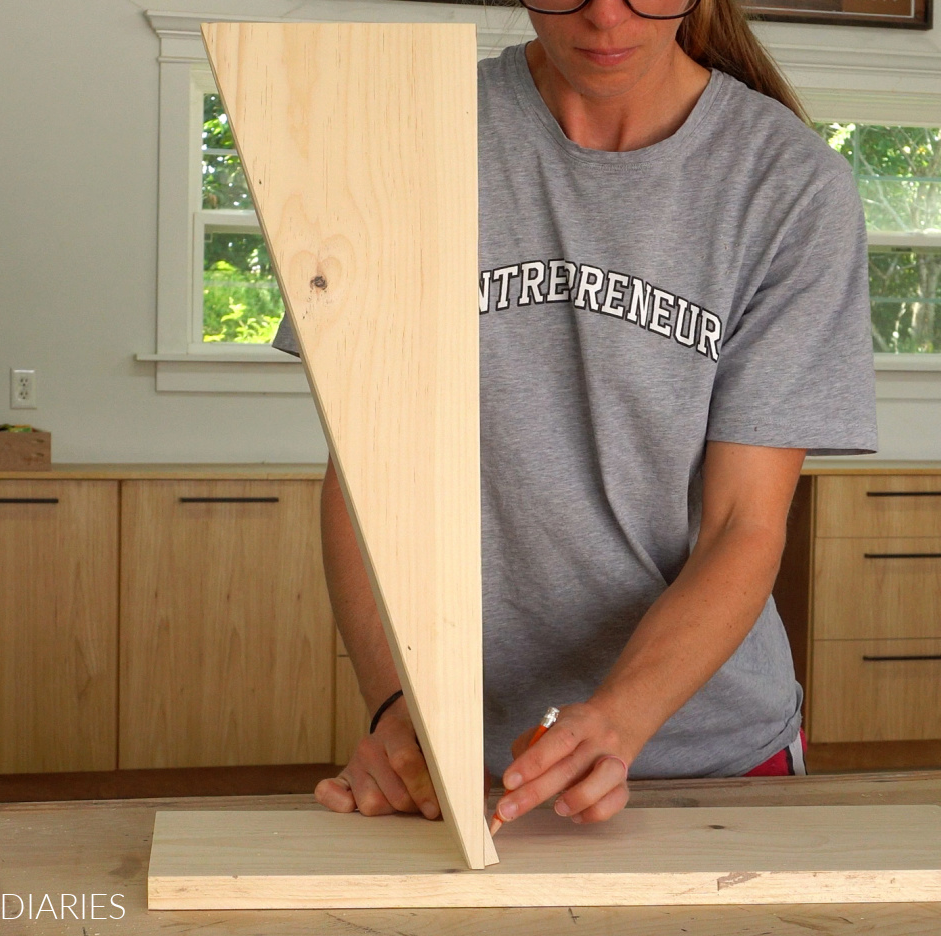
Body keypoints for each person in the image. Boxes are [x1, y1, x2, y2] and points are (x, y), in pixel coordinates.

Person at [272, 0, 877, 830]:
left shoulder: (790, 185)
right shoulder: (411, 140)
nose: (603, 17)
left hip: (714, 757)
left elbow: (744, 524)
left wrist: (618, 718)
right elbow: (365, 478)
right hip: (467, 766)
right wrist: (395, 708)